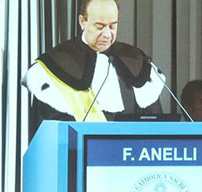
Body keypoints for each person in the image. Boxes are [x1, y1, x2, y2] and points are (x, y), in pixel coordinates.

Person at [22, 0, 165, 127]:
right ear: (82, 21)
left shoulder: (136, 61)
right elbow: (48, 135)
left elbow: (156, 127)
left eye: (112, 26)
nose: (107, 34)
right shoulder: (56, 64)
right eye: (100, 26)